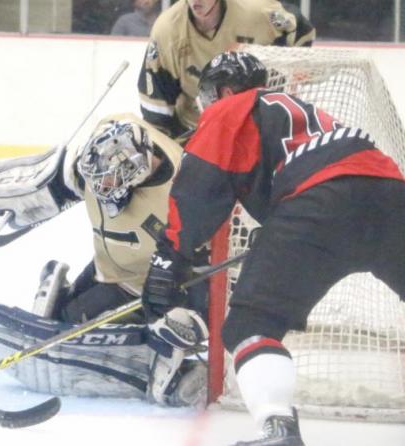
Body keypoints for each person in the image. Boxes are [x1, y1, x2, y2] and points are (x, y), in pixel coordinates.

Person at [140, 51, 405, 445]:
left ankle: (277, 428)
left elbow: (200, 188)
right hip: (391, 195)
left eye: (209, 96)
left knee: (251, 325)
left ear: (226, 90)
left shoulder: (232, 107)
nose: (207, 107)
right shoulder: (302, 111)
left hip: (317, 207)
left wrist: (169, 259)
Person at [0, 113, 209, 407]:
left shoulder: (180, 196)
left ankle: (163, 359)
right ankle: (63, 297)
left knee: (72, 324)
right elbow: (111, 132)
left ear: (138, 171)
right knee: (66, 316)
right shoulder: (116, 130)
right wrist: (45, 187)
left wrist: (193, 312)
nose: (101, 189)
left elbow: (202, 264)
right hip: (105, 263)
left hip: (138, 284)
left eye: (110, 182)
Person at [138, 0, 315, 139]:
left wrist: (290, 68)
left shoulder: (256, 11)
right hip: (197, 133)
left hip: (258, 130)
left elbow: (301, 32)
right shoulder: (167, 30)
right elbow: (156, 114)